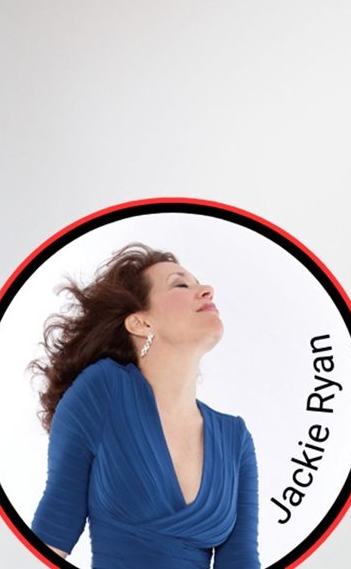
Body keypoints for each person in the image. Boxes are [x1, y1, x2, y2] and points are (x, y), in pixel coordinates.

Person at [30, 243, 258, 568]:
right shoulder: (103, 390)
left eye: (199, 283)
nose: (206, 290)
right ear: (140, 323)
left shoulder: (235, 438)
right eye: (181, 284)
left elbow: (242, 561)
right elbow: (52, 535)